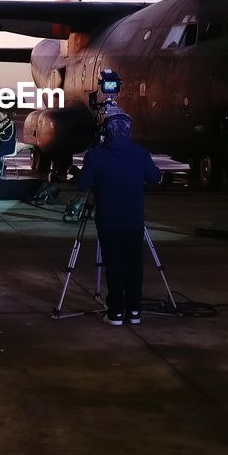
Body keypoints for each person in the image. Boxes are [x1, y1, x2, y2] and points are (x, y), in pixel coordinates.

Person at [74, 106, 161, 326]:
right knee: (134, 264)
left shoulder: (95, 155)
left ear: (106, 131)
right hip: (133, 219)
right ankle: (134, 310)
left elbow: (82, 184)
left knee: (113, 264)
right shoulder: (140, 153)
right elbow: (155, 178)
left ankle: (115, 312)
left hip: (108, 219)